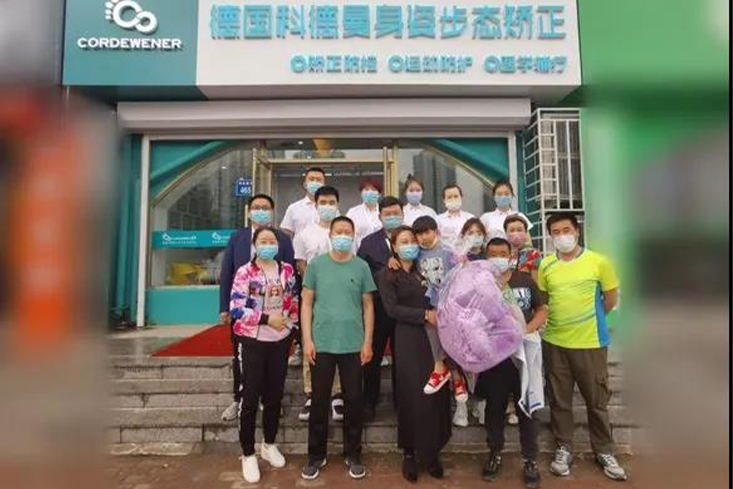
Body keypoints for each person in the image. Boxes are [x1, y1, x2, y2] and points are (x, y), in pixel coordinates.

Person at [538, 212, 627, 481]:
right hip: (555, 343)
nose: (562, 236)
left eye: (566, 230)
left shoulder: (598, 262)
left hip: (590, 343)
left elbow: (610, 300)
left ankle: (604, 450)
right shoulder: (546, 265)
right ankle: (564, 448)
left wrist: (590, 320)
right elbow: (545, 300)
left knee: (596, 401)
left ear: (576, 231)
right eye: (556, 232)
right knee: (560, 400)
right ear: (550, 236)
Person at [300, 216, 376, 481]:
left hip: (353, 344)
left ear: (353, 236)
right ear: (330, 235)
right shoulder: (316, 265)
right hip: (321, 343)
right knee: (319, 401)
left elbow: (368, 306)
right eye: (339, 231)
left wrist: (367, 342)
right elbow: (306, 304)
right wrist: (307, 340)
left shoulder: (361, 266)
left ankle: (353, 454)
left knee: (354, 401)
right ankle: (315, 455)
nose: (343, 236)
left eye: (347, 232)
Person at [377, 226, 452, 483]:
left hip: (435, 336)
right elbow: (392, 309)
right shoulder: (388, 274)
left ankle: (432, 452)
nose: (409, 245)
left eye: (412, 240)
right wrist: (424, 315)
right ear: (394, 247)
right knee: (411, 392)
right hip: (408, 336)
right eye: (403, 241)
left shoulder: (425, 268)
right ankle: (409, 451)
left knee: (436, 392)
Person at [229, 227, 299, 483]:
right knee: (249, 398)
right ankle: (248, 453)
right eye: (263, 241)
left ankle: (269, 444)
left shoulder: (286, 270)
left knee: (274, 396)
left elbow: (293, 300)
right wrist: (268, 319)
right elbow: (236, 308)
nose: (268, 245)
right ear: (255, 244)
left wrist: (291, 328)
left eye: (272, 241)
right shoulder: (245, 272)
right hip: (252, 340)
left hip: (279, 341)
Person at [476, 237, 547, 488]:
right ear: (486, 257)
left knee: (527, 410)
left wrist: (527, 329)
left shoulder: (524, 280)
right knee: (494, 409)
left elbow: (541, 310)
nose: (498, 257)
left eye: (502, 253)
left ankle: (530, 459)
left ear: (510, 256)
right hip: (496, 359)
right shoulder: (481, 284)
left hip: (524, 356)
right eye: (493, 253)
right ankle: (494, 453)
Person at [219, 194, 295, 422]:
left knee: (273, 362)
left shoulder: (282, 239)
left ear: (272, 211)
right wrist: (224, 307)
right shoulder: (237, 238)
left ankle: (270, 401)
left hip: (276, 315)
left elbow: (291, 277)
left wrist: (290, 315)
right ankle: (239, 398)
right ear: (249, 211)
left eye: (265, 207)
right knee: (240, 358)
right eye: (256, 207)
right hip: (244, 313)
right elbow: (227, 272)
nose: (261, 211)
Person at [410, 216, 469, 428]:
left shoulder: (448, 252)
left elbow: (462, 274)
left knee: (450, 340)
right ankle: (454, 378)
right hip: (432, 304)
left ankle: (451, 375)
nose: (423, 238)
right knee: (433, 331)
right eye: (419, 234)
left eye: (427, 232)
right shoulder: (417, 255)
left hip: (451, 303)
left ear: (436, 231)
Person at [293, 186, 345, 423]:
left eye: (331, 202)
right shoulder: (305, 233)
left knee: (339, 341)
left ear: (337, 204)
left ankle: (337, 394)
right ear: (315, 204)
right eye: (323, 202)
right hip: (314, 295)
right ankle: (311, 393)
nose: (327, 206)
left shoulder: (345, 231)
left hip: (342, 295)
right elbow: (302, 264)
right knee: (311, 340)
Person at [356, 196, 404, 421]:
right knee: (372, 357)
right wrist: (386, 271)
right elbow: (362, 273)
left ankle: (402, 402)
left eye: (396, 213)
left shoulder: (410, 238)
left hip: (404, 309)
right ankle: (369, 401)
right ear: (380, 216)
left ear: (403, 214)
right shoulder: (368, 242)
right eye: (388, 214)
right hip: (377, 308)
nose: (392, 217)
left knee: (403, 357)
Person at [280, 167, 326, 238]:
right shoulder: (293, 208)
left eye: (318, 180)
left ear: (324, 185)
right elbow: (286, 234)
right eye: (311, 179)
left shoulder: (331, 210)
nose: (315, 182)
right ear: (305, 184)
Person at [346, 179, 383, 250]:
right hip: (359, 251)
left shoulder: (383, 211)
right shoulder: (353, 212)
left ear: (379, 194)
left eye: (373, 189)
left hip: (381, 252)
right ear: (361, 193)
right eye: (366, 189)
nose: (370, 192)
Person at [436, 184, 474, 252]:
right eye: (449, 197)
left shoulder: (470, 218)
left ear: (461, 197)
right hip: (446, 256)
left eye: (456, 196)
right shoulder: (438, 220)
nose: (453, 199)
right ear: (444, 200)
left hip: (468, 255)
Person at [504, 215, 543, 282]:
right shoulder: (503, 254)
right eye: (512, 230)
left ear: (525, 232)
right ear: (506, 233)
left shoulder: (533, 254)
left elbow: (536, 281)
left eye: (519, 230)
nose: (516, 233)